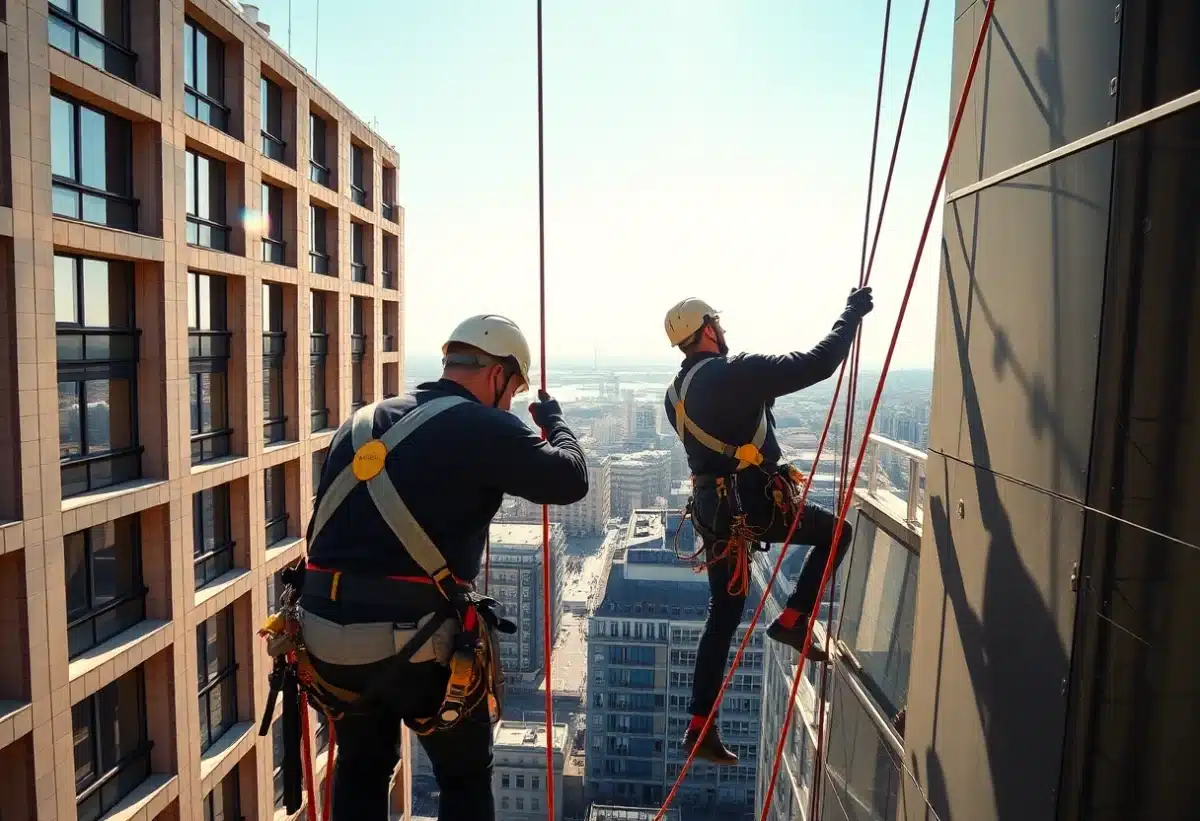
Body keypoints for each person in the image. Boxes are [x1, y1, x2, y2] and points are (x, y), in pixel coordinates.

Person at [295, 314, 588, 820]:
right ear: (498, 375)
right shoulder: (483, 424)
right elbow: (570, 480)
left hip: (323, 633)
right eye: (513, 389)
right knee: (464, 777)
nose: (511, 400)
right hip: (418, 642)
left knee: (362, 767)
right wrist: (554, 423)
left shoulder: (361, 422)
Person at [661, 290, 874, 765]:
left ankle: (699, 726)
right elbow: (817, 363)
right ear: (710, 329)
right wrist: (851, 314)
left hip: (711, 512)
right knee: (836, 532)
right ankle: (794, 620)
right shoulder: (737, 372)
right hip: (750, 503)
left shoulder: (675, 395)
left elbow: (724, 428)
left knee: (723, 614)